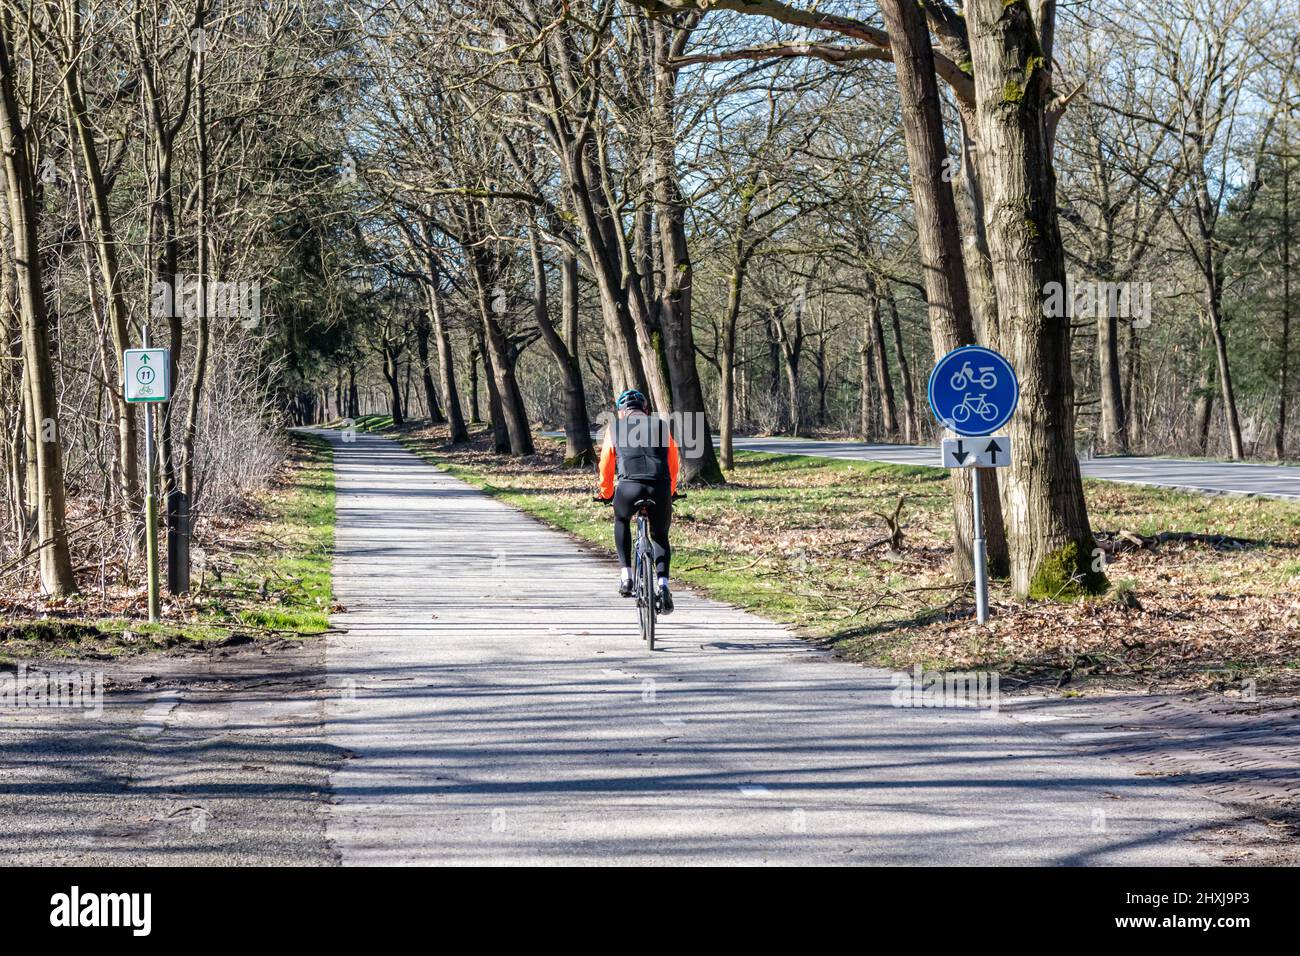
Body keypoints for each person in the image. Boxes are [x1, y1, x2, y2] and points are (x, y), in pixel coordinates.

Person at [596, 389, 680, 613]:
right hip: (659, 487)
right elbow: (673, 463)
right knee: (660, 535)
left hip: (628, 488)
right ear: (646, 410)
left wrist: (605, 493)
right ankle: (663, 585)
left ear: (622, 413)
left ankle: (626, 576)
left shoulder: (615, 429)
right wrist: (670, 491)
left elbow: (605, 464)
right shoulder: (662, 427)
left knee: (621, 519)